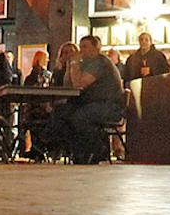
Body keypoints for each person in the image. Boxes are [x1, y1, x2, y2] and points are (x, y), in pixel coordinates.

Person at [42, 35, 125, 164]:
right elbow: (68, 85)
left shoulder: (100, 62)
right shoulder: (85, 64)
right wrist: (70, 65)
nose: (81, 50)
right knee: (62, 112)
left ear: (96, 48)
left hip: (109, 106)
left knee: (80, 116)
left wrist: (75, 63)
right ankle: (71, 151)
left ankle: (94, 152)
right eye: (80, 47)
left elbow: (79, 84)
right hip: (92, 104)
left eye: (85, 47)